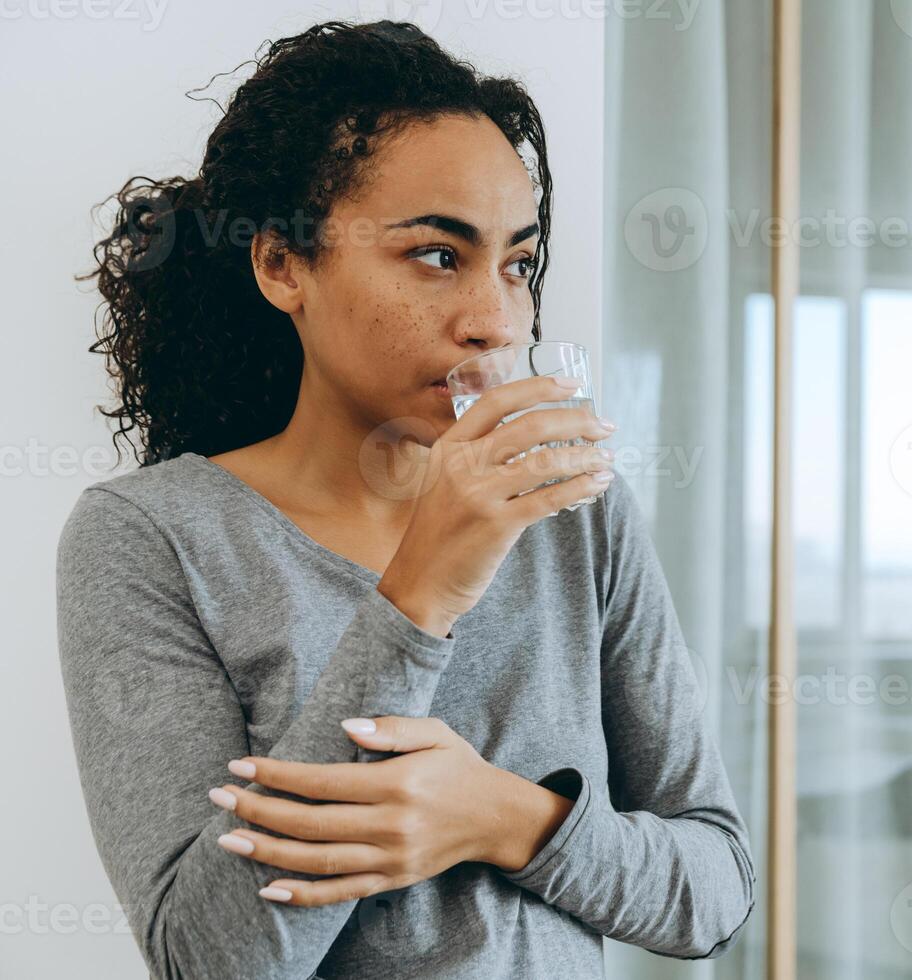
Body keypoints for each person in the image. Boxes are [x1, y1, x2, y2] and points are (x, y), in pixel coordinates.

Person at [55, 20, 753, 979]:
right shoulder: (152, 539)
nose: (496, 319)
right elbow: (212, 963)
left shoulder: (577, 514)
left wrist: (502, 818)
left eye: (517, 263)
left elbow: (713, 890)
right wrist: (421, 593)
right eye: (436, 254)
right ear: (281, 266)